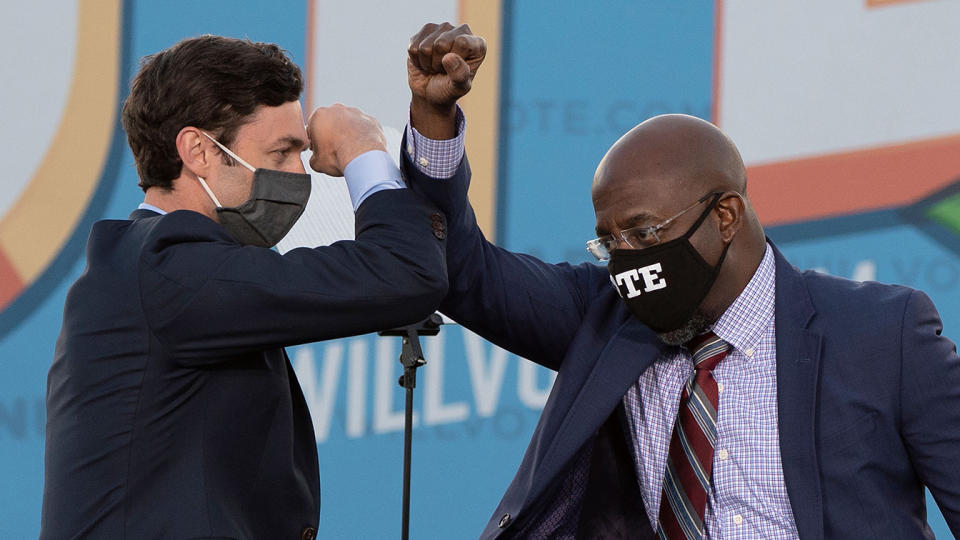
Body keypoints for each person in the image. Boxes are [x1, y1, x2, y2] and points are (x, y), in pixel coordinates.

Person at [401, 23, 960, 539]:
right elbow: (463, 270)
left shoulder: (884, 334)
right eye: (610, 240)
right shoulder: (605, 318)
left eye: (644, 235)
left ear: (725, 217)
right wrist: (433, 121)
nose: (627, 258)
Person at [41, 35, 448, 539]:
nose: (301, 172)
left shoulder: (161, 266)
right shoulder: (170, 269)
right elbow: (404, 275)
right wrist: (364, 153)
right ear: (197, 151)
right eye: (282, 152)